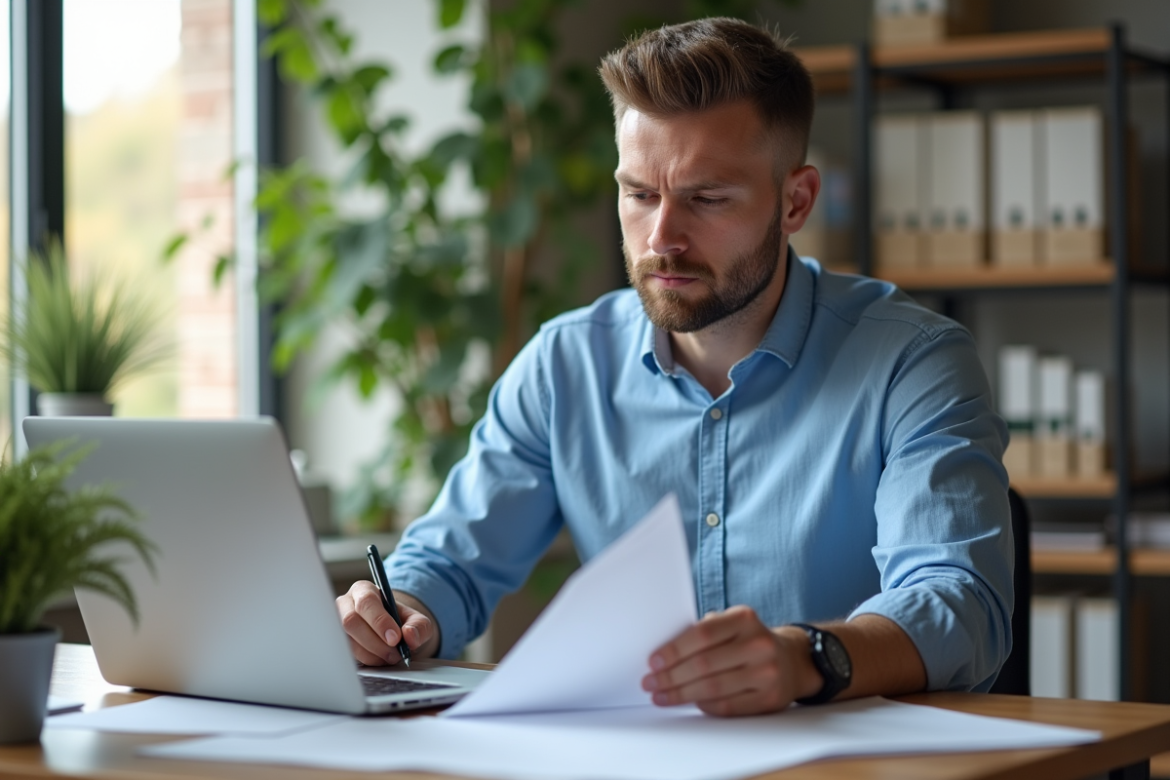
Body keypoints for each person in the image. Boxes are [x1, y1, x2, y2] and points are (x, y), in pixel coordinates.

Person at [337, 17, 1012, 717]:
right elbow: (450, 562)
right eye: (640, 194)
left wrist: (807, 657)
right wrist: (394, 615)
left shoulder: (914, 362)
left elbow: (959, 601)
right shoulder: (564, 364)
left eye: (707, 198)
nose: (662, 239)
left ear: (795, 201)